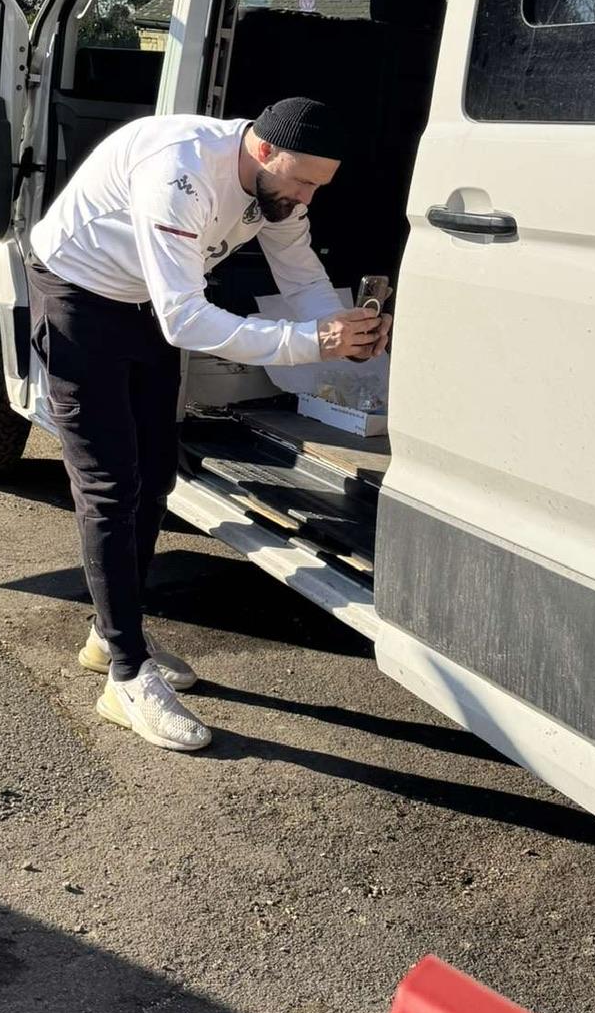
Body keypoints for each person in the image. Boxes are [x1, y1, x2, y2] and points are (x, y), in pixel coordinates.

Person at [27, 97, 390, 754]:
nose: (306, 197)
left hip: (145, 306)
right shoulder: (182, 172)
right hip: (79, 299)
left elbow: (301, 274)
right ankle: (127, 678)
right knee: (110, 486)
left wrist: (351, 333)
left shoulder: (279, 190)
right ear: (259, 150)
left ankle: (111, 633)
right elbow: (188, 323)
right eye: (301, 181)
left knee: (157, 472)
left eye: (318, 186)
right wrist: (310, 340)